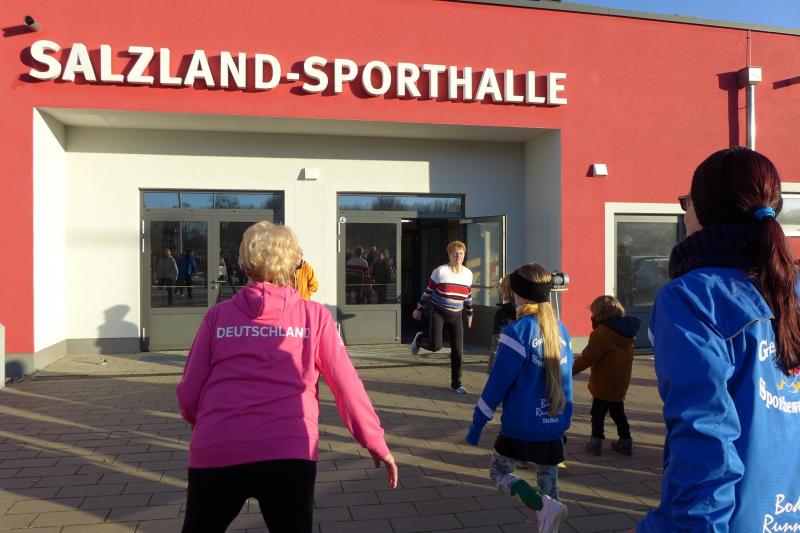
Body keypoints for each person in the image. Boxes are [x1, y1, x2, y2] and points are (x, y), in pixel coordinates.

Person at [177, 221, 398, 533]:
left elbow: (189, 391)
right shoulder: (315, 317)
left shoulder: (217, 316)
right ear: (293, 262)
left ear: (244, 262)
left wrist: (203, 423)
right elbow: (347, 385)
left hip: (217, 447)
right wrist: (374, 440)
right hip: (289, 452)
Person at [638, 147, 800, 532]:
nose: (685, 212)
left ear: (702, 210)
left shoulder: (693, 297)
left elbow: (705, 438)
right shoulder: (792, 291)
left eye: (687, 201)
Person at [465, 263, 572, 533]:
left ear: (518, 293)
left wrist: (477, 425)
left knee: (499, 473)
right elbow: (567, 383)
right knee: (548, 482)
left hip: (520, 426)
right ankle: (548, 517)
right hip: (554, 424)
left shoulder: (517, 332)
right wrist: (563, 421)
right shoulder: (561, 330)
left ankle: (539, 506)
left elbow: (496, 385)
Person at [572, 295, 640, 456]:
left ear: (599, 314)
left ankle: (596, 442)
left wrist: (568, 371)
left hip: (603, 382)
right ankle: (626, 440)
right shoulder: (628, 333)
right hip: (621, 381)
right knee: (618, 412)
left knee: (597, 413)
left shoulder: (601, 333)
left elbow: (588, 358)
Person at [410, 240, 473, 393]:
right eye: (455, 253)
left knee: (457, 351)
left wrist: (470, 313)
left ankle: (456, 384)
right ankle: (420, 338)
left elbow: (468, 295)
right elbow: (428, 292)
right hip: (439, 311)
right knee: (435, 346)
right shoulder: (440, 271)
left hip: (456, 315)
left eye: (461, 253)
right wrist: (419, 309)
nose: (458, 256)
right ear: (449, 255)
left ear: (464, 255)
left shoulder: (468, 274)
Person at [487, 275, 516, 374]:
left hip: (503, 370)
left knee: (496, 347)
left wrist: (492, 373)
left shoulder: (502, 313)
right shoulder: (529, 312)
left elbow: (496, 346)